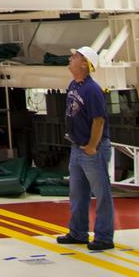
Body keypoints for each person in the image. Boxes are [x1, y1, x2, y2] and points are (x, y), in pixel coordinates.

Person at [56, 45, 114, 251]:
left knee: (101, 193)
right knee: (77, 193)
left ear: (84, 64)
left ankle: (104, 237)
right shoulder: (74, 85)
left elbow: (98, 120)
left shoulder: (92, 90)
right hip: (77, 148)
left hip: (92, 150)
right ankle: (78, 232)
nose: (70, 58)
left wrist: (91, 146)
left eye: (75, 56)